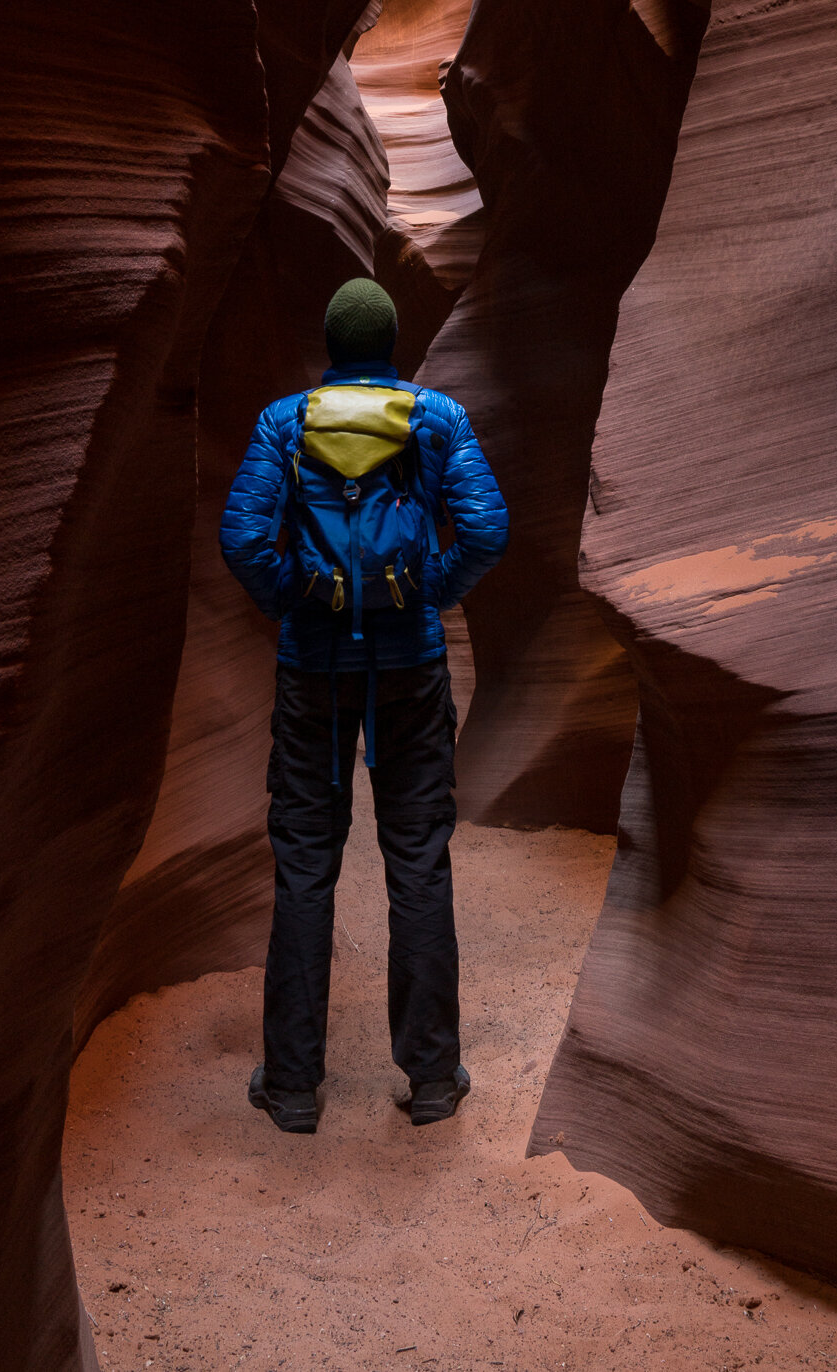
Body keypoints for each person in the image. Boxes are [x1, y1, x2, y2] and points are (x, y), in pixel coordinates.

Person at [219, 276, 509, 1136]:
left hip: (312, 668)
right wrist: (425, 592)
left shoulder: (286, 421)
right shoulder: (435, 417)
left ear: (331, 343)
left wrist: (294, 597)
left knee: (306, 863)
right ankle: (428, 1079)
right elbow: (486, 528)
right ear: (390, 341)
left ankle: (295, 1086)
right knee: (417, 859)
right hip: (409, 667)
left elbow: (242, 537)